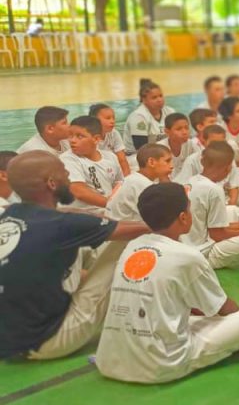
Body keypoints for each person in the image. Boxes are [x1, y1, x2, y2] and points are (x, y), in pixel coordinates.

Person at [95, 183, 239, 384]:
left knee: (180, 315)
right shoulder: (188, 256)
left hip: (110, 361)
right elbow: (224, 309)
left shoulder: (132, 246)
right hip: (160, 364)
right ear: (183, 217)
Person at [0, 152, 147, 360]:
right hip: (46, 341)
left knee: (84, 247)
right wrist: (171, 221)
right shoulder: (62, 225)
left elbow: (66, 220)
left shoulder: (8, 213)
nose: (68, 174)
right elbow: (141, 229)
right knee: (122, 243)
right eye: (63, 170)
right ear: (51, 183)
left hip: (7, 340)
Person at [61, 115, 124, 216]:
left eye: (79, 136)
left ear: (96, 139)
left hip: (106, 210)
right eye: (70, 135)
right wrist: (112, 205)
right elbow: (78, 191)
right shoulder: (67, 159)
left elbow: (119, 183)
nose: (72, 140)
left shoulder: (110, 157)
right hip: (83, 215)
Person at [106, 143, 173, 223]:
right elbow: (160, 217)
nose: (172, 166)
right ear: (151, 162)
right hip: (122, 231)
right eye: (167, 161)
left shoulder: (135, 179)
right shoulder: (142, 184)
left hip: (117, 227)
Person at [123, 79, 174, 153]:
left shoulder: (170, 111)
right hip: (136, 156)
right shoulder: (138, 117)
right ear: (144, 100)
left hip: (163, 152)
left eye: (160, 96)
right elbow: (141, 148)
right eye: (154, 97)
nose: (159, 100)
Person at [89, 103, 131, 177]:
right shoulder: (89, 137)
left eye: (113, 118)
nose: (112, 121)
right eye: (108, 118)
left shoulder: (114, 133)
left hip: (113, 169)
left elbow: (122, 160)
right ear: (95, 120)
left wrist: (127, 179)